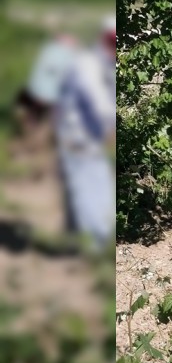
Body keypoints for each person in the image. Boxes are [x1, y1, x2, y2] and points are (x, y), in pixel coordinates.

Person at [55, 16, 116, 251]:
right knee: (88, 190)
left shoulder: (99, 63)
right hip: (77, 139)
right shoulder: (88, 65)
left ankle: (98, 242)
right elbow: (99, 103)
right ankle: (94, 249)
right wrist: (110, 127)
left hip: (90, 139)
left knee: (97, 187)